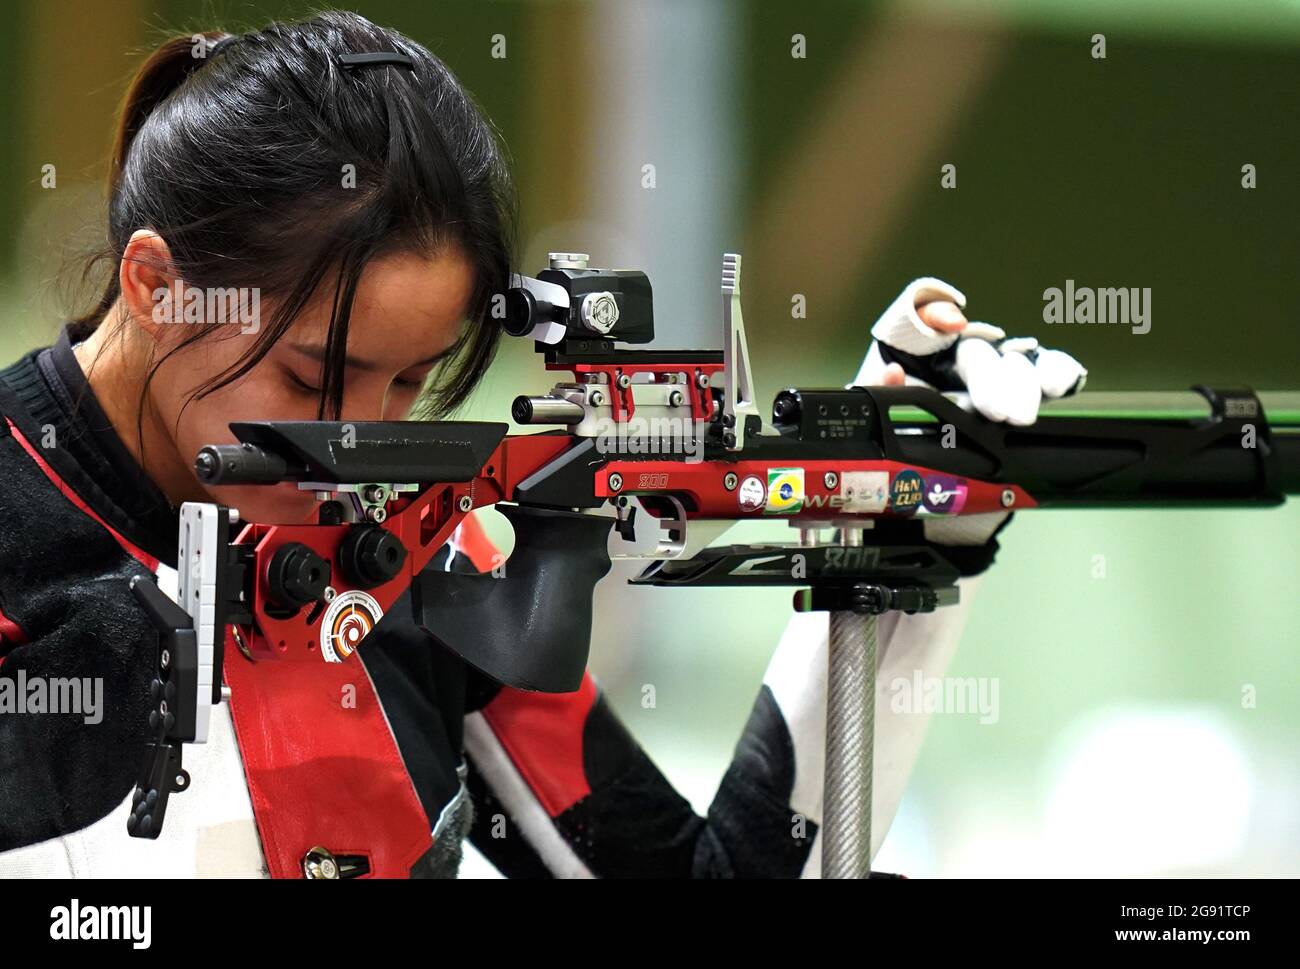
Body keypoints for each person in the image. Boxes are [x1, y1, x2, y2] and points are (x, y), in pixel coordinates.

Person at [0, 10, 1084, 877]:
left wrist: (918, 530)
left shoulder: (419, 552)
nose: (366, 443)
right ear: (154, 284)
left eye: (414, 381)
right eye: (314, 379)